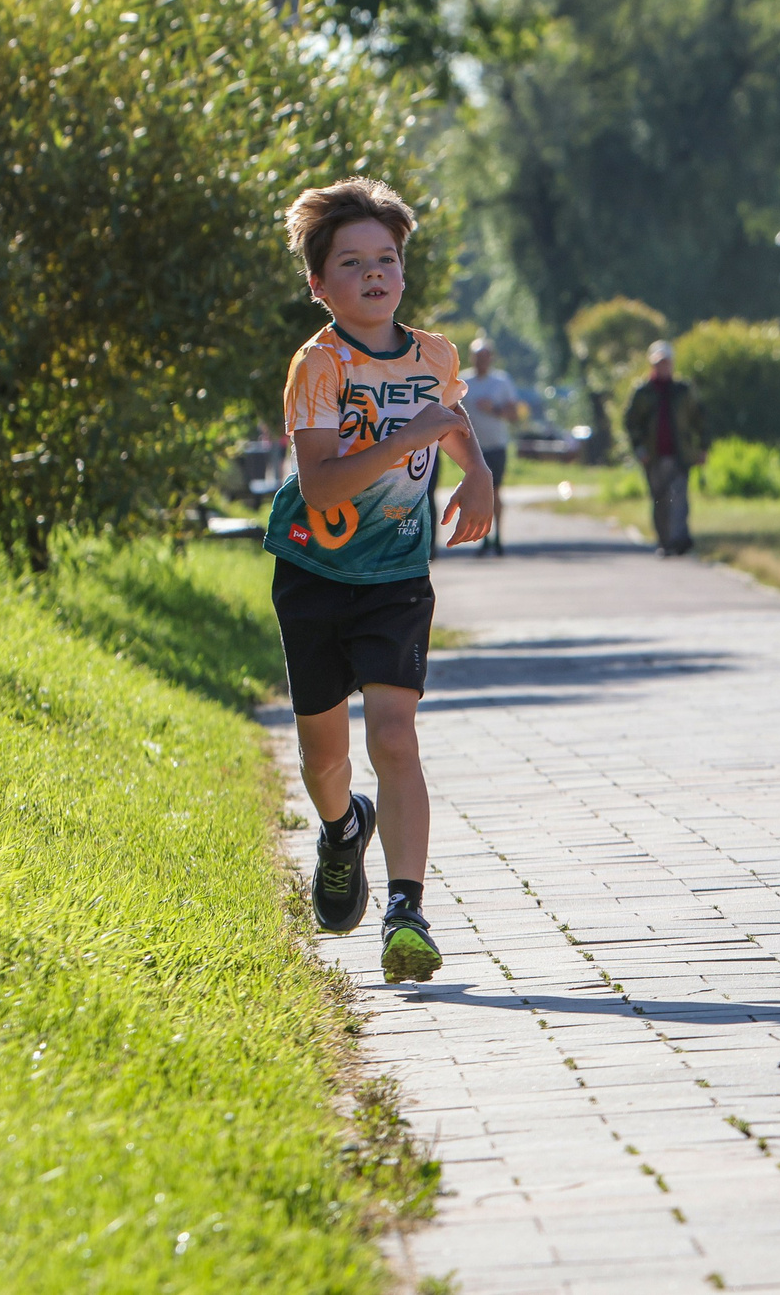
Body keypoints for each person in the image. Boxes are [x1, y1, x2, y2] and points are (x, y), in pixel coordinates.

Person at [262, 177, 495, 984]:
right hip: (315, 573)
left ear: (403, 269)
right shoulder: (318, 365)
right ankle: (340, 828)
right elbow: (322, 484)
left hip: (398, 572)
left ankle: (407, 910)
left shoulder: (435, 354)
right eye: (351, 262)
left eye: (386, 258)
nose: (373, 274)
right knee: (324, 758)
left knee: (394, 736)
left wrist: (481, 477)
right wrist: (412, 440)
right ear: (319, 284)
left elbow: (450, 420)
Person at [624, 341, 707, 556]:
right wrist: (639, 448)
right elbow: (631, 423)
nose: (662, 367)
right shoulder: (643, 392)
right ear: (652, 365)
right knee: (660, 500)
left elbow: (700, 419)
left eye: (666, 363)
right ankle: (665, 541)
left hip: (680, 455)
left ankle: (679, 540)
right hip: (653, 457)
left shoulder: (683, 391)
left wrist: (703, 447)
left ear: (672, 364)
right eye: (658, 363)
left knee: (679, 498)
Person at [463, 335, 521, 556]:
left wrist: (494, 409)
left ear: (492, 358)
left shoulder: (501, 382)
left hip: (496, 445)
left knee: (495, 491)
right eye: (478, 357)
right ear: (471, 358)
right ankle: (482, 536)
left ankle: (497, 535)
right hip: (472, 447)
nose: (481, 361)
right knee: (477, 492)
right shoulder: (463, 382)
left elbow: (514, 415)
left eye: (485, 356)